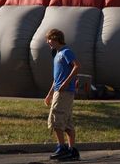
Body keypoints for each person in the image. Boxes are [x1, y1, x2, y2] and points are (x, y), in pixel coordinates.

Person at [45, 29, 81, 161]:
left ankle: (62, 147)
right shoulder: (57, 54)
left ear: (55, 38)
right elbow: (56, 78)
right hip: (59, 91)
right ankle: (72, 150)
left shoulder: (66, 52)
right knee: (67, 122)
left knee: (55, 118)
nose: (48, 42)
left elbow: (77, 66)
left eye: (49, 39)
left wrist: (66, 83)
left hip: (64, 92)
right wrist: (49, 94)